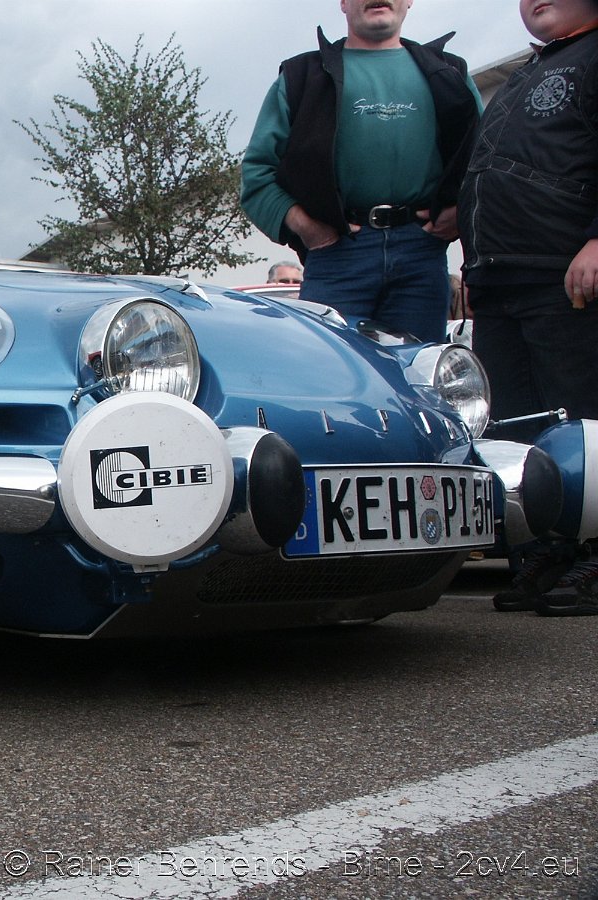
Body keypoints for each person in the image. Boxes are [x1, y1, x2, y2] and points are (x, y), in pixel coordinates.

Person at [458, 0, 598, 617]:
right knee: (520, 423)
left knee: (585, 417)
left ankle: (595, 551)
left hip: (564, 269)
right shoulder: (525, 73)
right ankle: (549, 550)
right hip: (499, 276)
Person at [240, 0, 483, 343]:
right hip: (336, 253)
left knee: (415, 373)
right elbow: (257, 174)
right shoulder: (301, 77)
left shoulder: (450, 74)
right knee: (329, 370)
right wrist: (308, 228)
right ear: (343, 3)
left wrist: (461, 213)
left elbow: (489, 165)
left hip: (422, 254)